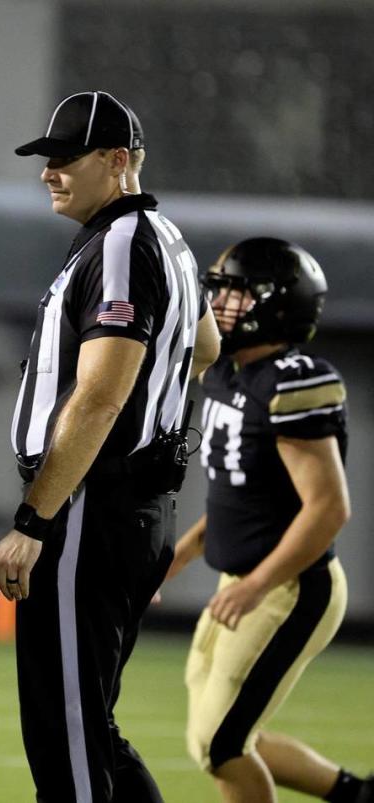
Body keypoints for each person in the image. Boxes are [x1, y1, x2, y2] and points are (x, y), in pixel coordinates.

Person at [0, 90, 221, 803]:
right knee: (97, 733)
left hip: (92, 507)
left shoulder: (121, 242)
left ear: (117, 161)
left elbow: (99, 395)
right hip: (133, 503)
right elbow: (205, 346)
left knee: (67, 740)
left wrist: (34, 521)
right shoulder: (167, 238)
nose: (48, 173)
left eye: (64, 158)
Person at [163, 238, 372, 803]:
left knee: (221, 745)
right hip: (249, 580)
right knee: (216, 737)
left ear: (275, 304)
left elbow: (329, 507)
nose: (218, 303)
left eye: (233, 292)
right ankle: (355, 793)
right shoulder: (228, 375)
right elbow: (240, 496)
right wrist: (180, 555)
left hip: (289, 586)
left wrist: (256, 583)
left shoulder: (294, 380)